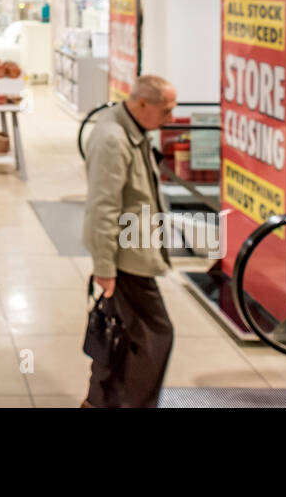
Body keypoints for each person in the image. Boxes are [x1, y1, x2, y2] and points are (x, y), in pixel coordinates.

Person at [81, 73, 178, 408]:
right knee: (155, 335)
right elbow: (103, 207)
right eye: (166, 110)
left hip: (132, 254)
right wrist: (104, 267)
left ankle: (100, 400)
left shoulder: (132, 130)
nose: (172, 118)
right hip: (125, 260)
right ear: (140, 104)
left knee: (122, 333)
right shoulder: (113, 138)